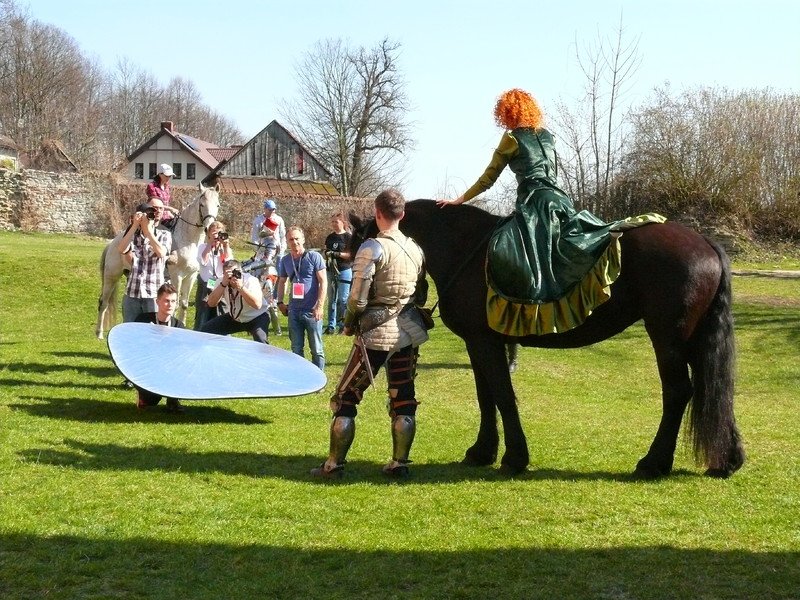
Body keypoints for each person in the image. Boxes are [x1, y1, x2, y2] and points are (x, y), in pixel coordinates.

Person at [437, 88, 664, 336]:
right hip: (560, 199)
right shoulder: (548, 136)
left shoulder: (511, 139)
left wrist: (460, 199)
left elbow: (488, 178)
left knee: (520, 250)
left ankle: (533, 304)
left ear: (507, 112)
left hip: (534, 202)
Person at [311, 189, 430, 480]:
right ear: (402, 215)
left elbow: (357, 300)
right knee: (403, 398)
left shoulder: (372, 247)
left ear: (378, 214)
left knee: (345, 398)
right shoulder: (416, 249)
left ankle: (333, 465)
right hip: (408, 331)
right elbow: (422, 292)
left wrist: (350, 323)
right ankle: (399, 463)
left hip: (376, 333)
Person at [275, 226, 326, 370]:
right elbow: (282, 281)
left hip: (312, 311)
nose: (294, 242)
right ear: (287, 241)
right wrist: (280, 302)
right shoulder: (285, 260)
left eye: (297, 238)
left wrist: (320, 306)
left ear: (303, 240)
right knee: (296, 349)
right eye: (291, 239)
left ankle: (319, 379)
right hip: (294, 311)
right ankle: (302, 377)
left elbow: (323, 281)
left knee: (317, 349)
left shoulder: (314, 257)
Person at [133, 282, 185, 413]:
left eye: (173, 301)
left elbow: (181, 353)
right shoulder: (143, 320)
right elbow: (134, 347)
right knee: (151, 401)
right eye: (166, 301)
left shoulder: (179, 326)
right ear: (158, 302)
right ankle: (144, 395)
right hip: (147, 367)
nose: (170, 305)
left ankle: (173, 399)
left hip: (169, 367)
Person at [117, 197, 171, 323]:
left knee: (152, 332)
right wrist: (135, 225)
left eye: (152, 215)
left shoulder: (164, 235)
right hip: (132, 293)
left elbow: (161, 253)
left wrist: (148, 231)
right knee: (130, 331)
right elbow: (121, 249)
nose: (150, 217)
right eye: (147, 214)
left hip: (153, 294)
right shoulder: (133, 235)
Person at [201, 259, 270, 343]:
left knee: (261, 340)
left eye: (235, 272)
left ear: (241, 271)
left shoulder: (250, 280)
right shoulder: (221, 281)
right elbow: (211, 303)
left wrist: (240, 287)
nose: (233, 276)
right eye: (228, 274)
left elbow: (257, 305)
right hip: (236, 317)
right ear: (224, 274)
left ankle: (264, 356)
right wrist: (223, 284)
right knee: (206, 330)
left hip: (256, 316)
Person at [193, 220, 233, 331]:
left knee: (221, 316)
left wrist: (225, 246)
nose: (217, 236)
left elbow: (229, 264)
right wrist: (210, 244)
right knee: (202, 316)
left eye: (219, 233)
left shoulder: (224, 249)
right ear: (208, 234)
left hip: (220, 287)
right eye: (214, 233)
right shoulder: (202, 247)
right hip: (205, 287)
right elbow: (203, 261)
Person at [323, 212, 353, 334]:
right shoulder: (330, 237)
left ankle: (342, 324)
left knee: (342, 299)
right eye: (332, 222)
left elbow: (351, 255)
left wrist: (337, 254)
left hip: (344, 270)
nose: (334, 224)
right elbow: (325, 250)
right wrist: (327, 254)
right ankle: (331, 325)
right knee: (331, 299)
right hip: (330, 270)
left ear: (343, 222)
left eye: (336, 221)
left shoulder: (348, 237)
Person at [146, 164, 179, 229]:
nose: (168, 178)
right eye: (166, 176)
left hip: (166, 218)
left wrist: (172, 215)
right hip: (156, 217)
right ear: (160, 174)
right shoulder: (151, 186)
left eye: (170, 176)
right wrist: (171, 209)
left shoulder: (167, 187)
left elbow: (166, 204)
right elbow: (155, 204)